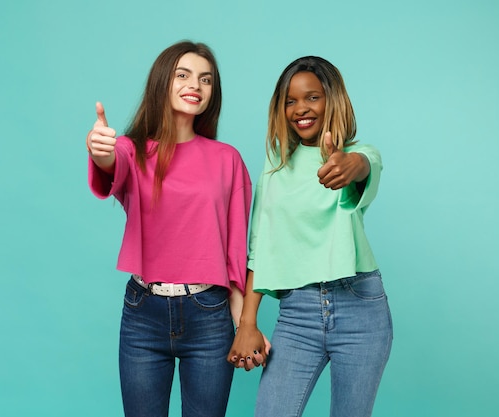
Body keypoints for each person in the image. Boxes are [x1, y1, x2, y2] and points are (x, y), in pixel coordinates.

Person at [86, 41, 252, 417]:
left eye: (206, 79)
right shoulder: (133, 149)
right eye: (183, 75)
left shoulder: (228, 160)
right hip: (143, 312)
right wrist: (100, 151)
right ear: (163, 81)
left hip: (209, 314)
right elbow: (114, 161)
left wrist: (246, 325)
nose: (196, 85)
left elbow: (235, 254)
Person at [227, 56, 393, 417]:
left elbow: (366, 165)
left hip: (359, 306)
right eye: (291, 100)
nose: (300, 108)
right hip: (297, 314)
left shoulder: (355, 155)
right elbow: (259, 250)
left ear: (331, 100)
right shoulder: (275, 170)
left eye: (312, 97)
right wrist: (247, 323)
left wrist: (350, 165)